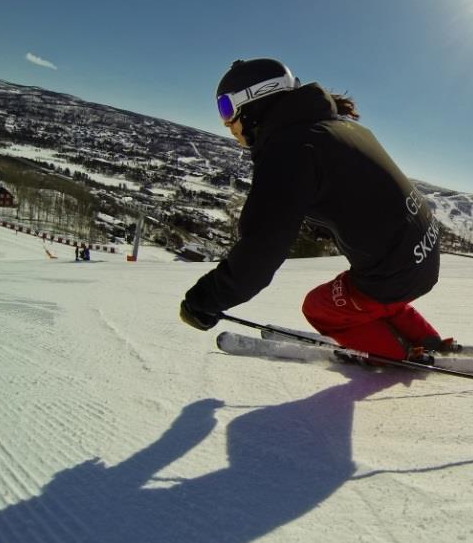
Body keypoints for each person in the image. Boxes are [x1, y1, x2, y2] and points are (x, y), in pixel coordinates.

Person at [179, 58, 445, 360]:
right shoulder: (337, 126)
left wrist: (205, 299)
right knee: (374, 294)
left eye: (226, 109)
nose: (226, 124)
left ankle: (394, 356)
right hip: (423, 254)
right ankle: (423, 337)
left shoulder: (289, 149)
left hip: (393, 273)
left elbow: (260, 251)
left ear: (254, 104)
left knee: (319, 308)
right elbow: (359, 189)